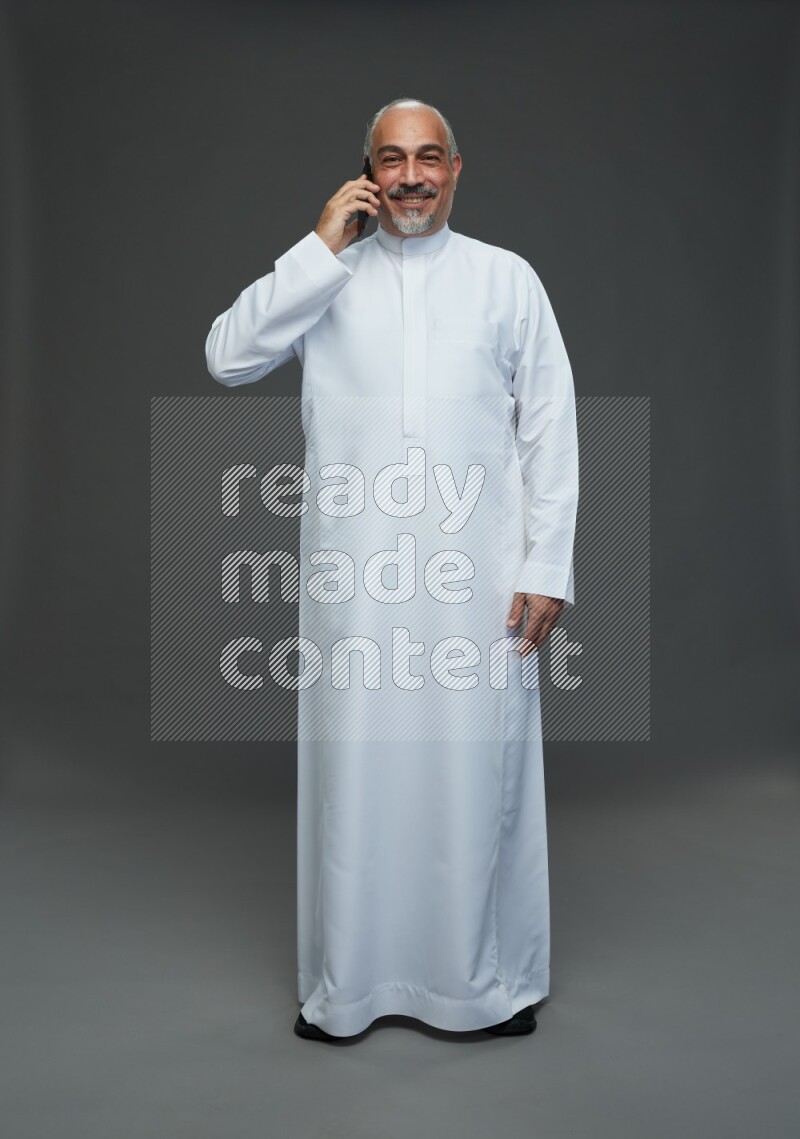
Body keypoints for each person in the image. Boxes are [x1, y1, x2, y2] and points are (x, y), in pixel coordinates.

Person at [205, 98, 579, 1042]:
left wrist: (547, 565)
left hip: (481, 585)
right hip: (354, 582)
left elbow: (551, 431)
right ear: (366, 171)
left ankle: (480, 987)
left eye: (428, 158)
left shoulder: (507, 280)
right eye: (391, 159)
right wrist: (316, 248)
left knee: (474, 771)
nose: (411, 176)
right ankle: (350, 986)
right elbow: (226, 358)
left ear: (458, 167)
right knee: (357, 778)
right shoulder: (325, 277)